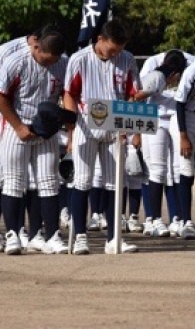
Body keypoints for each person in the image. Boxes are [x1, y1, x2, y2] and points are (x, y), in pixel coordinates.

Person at [64, 18, 141, 254]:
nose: (115, 53)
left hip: (115, 127)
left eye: (119, 49)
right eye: (112, 49)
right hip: (86, 124)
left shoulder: (127, 59)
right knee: (83, 180)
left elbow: (132, 94)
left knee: (115, 182)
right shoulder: (79, 59)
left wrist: (130, 129)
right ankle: (80, 236)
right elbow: (70, 94)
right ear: (100, 39)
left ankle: (113, 238)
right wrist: (71, 132)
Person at [0, 30, 69, 254]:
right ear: (36, 47)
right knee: (13, 182)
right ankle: (12, 235)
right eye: (46, 58)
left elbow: (68, 94)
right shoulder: (16, 62)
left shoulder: (63, 64)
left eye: (54, 59)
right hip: (17, 127)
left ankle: (51, 235)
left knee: (49, 182)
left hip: (46, 131)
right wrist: (18, 126)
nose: (50, 63)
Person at [136, 49, 195, 237]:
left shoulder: (191, 63)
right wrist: (137, 132)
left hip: (178, 116)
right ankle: (155, 220)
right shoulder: (152, 63)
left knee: (179, 168)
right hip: (154, 116)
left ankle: (179, 219)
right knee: (157, 169)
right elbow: (137, 95)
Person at [171, 56, 195, 239]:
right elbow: (179, 104)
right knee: (187, 171)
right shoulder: (194, 71)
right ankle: (186, 222)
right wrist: (183, 136)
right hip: (187, 120)